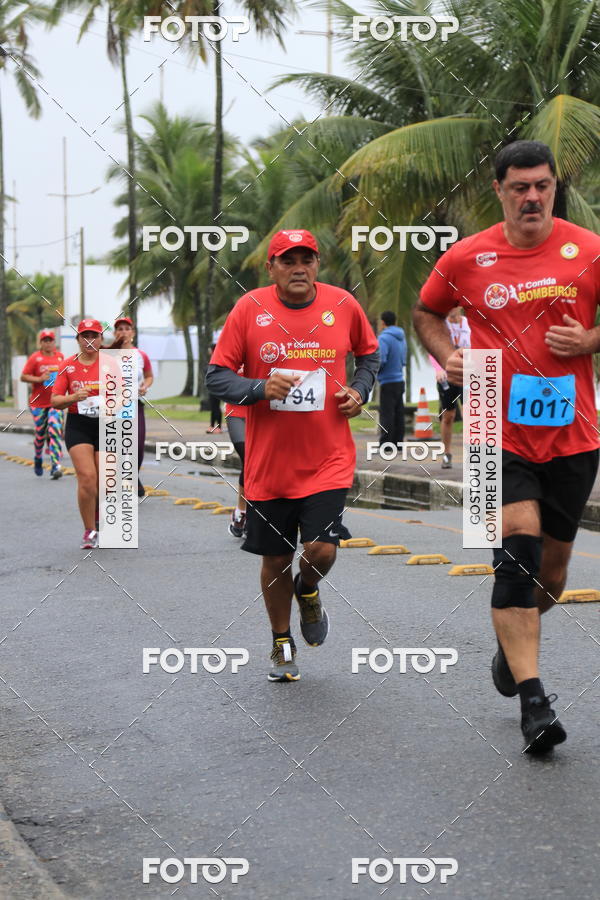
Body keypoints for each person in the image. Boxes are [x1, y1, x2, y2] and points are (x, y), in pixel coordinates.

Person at [414, 140, 600, 753]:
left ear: (553, 189)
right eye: (520, 187)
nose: (532, 197)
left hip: (573, 434)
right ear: (499, 190)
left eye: (542, 185)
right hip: (496, 425)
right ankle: (534, 700)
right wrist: (449, 356)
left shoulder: (588, 249)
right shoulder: (467, 258)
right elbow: (427, 313)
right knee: (516, 554)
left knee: (551, 575)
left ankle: (510, 649)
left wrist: (590, 340)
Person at [206, 229, 379, 682]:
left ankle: (308, 588)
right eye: (288, 260)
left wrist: (359, 390)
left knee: (321, 549)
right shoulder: (250, 309)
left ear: (317, 264)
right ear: (272, 268)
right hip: (270, 464)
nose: (298, 267)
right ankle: (281, 641)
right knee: (276, 559)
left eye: (307, 259)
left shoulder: (343, 305)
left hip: (329, 458)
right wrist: (259, 388)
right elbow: (218, 378)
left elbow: (369, 356)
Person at [51, 319, 103, 549]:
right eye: (85, 336)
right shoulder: (66, 365)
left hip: (106, 424)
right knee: (87, 478)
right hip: (78, 424)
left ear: (101, 339)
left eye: (94, 336)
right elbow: (55, 401)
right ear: (78, 339)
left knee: (104, 482)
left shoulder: (112, 364)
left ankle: (97, 511)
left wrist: (114, 401)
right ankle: (89, 530)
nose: (89, 340)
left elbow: (126, 396)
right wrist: (74, 397)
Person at [113, 315, 154, 497]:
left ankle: (132, 475)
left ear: (133, 333)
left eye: (127, 329)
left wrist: (145, 385)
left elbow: (149, 376)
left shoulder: (140, 355)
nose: (123, 332)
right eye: (120, 329)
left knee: (137, 444)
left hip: (135, 404)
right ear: (115, 333)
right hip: (114, 405)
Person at [429, 307, 471, 468]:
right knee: (448, 416)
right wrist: (438, 369)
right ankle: (446, 454)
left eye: (454, 306)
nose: (451, 309)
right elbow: (433, 348)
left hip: (468, 374)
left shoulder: (469, 324)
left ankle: (474, 454)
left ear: (460, 307)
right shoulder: (442, 325)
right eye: (449, 306)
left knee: (471, 414)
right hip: (447, 375)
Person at [20, 329, 65, 478]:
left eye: (50, 340)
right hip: (38, 403)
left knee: (55, 430)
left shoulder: (60, 357)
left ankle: (55, 466)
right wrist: (39, 379)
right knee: (40, 433)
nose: (48, 343)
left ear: (54, 342)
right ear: (41, 343)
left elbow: (65, 377)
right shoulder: (35, 358)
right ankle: (38, 457)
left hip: (55, 402)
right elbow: (24, 376)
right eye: (45, 340)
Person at [376, 310, 407, 447]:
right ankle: (398, 442)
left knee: (387, 414)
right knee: (398, 413)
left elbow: (381, 359)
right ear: (395, 321)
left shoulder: (383, 338)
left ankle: (386, 444)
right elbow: (403, 359)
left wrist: (376, 372)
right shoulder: (402, 337)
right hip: (400, 380)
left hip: (387, 381)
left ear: (383, 323)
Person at [224, 393, 247, 538]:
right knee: (249, 458)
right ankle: (241, 512)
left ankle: (256, 512)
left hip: (265, 413)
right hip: (236, 411)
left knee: (260, 463)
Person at [207, 344, 222, 434]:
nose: (208, 351)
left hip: (216, 385)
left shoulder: (216, 359)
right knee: (213, 406)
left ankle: (218, 427)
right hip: (213, 385)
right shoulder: (214, 358)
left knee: (216, 406)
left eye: (210, 349)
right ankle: (212, 426)